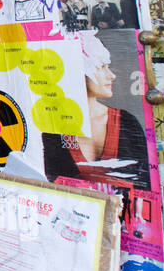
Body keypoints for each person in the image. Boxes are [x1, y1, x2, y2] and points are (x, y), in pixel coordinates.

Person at [42, 30, 148, 184]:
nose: (112, 75)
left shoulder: (127, 123)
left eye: (108, 66)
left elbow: (145, 184)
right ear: (77, 70)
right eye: (101, 67)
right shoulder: (50, 129)